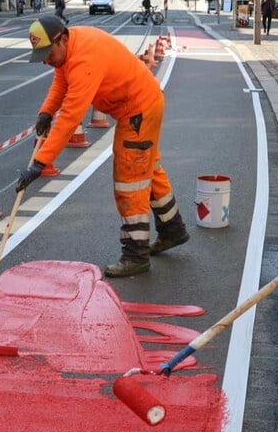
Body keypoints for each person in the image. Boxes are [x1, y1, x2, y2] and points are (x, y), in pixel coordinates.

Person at [17, 16, 190, 277]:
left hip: (138, 110)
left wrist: (40, 162)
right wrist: (46, 112)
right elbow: (61, 81)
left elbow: (71, 117)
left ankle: (136, 255)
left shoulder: (84, 59)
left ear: (61, 39)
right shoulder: (71, 47)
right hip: (141, 105)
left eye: (47, 53)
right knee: (147, 170)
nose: (45, 60)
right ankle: (172, 229)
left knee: (129, 179)